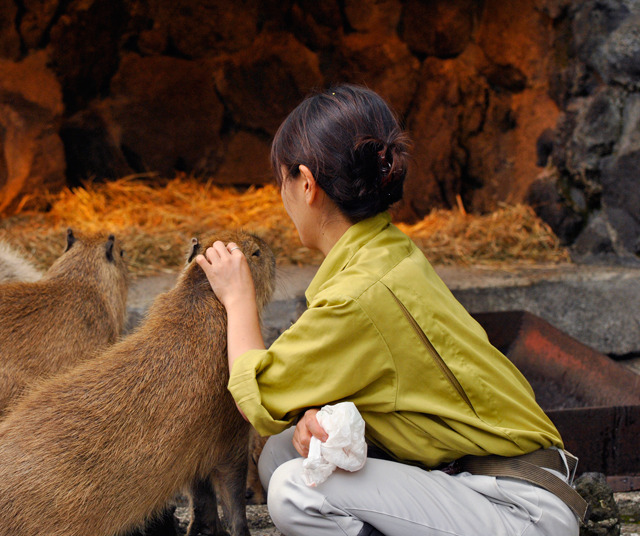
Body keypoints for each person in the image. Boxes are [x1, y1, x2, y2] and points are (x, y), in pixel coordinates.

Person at [195, 84, 584, 536]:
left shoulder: (356, 295)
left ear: (305, 183)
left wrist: (238, 297)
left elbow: (257, 401)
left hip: (520, 507)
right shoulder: (387, 251)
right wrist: (312, 414)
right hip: (481, 478)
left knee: (294, 490)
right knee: (286, 450)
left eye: (281, 180)